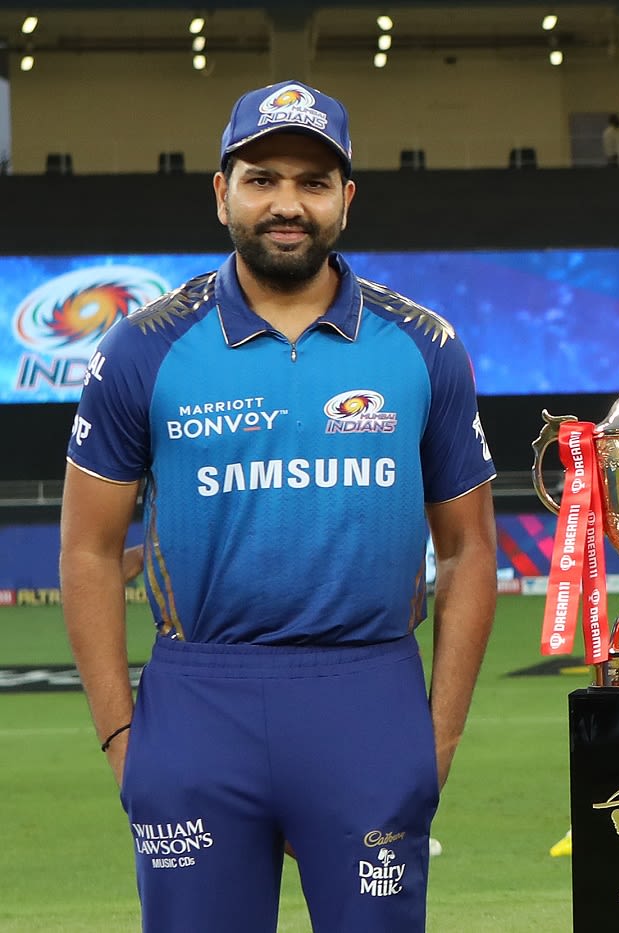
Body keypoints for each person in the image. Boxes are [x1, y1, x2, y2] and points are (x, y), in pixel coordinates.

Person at [60, 79, 498, 932]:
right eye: (262, 178)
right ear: (222, 192)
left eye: (312, 181)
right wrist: (124, 740)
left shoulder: (424, 345)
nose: (286, 203)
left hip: (368, 695)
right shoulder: (144, 347)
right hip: (197, 702)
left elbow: (469, 550)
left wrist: (433, 741)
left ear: (347, 199)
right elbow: (85, 551)